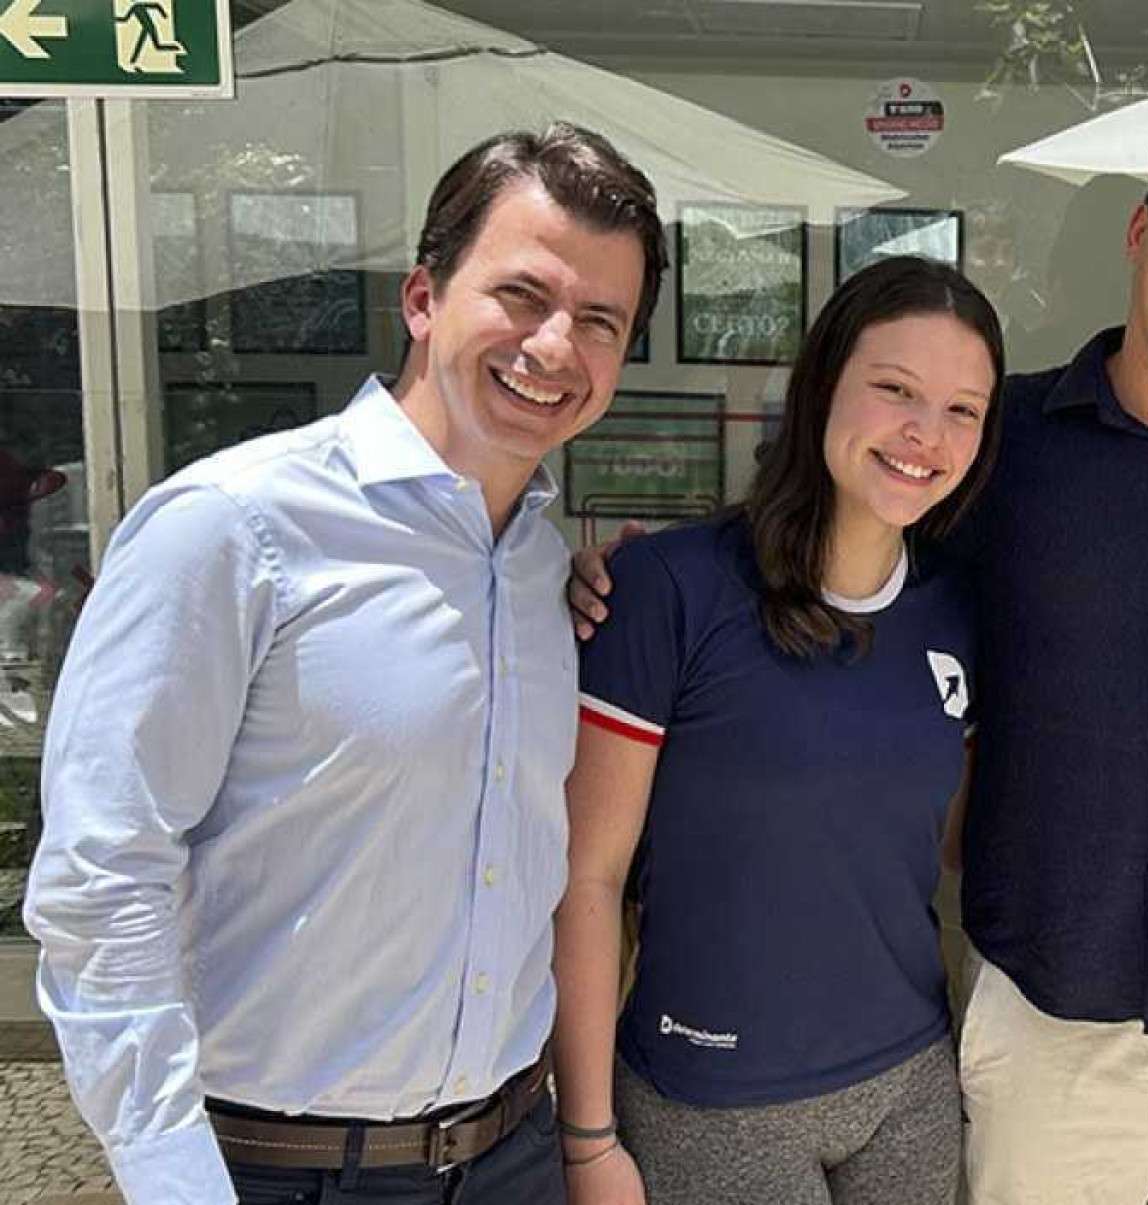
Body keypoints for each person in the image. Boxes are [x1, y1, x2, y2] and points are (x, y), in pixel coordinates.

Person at [571, 108, 1148, 1204]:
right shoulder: (999, 439)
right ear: (1142, 229)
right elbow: (840, 523)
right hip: (1045, 1021)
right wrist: (622, 571)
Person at [24, 123, 666, 1204]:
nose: (557, 346)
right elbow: (101, 877)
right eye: (522, 295)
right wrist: (173, 1179)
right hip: (279, 1170)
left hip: (512, 1153)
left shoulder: (546, 570)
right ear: (424, 298)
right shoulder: (231, 528)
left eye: (600, 319)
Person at [552, 256, 1003, 1205]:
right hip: (713, 1097)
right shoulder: (666, 592)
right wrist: (587, 1136)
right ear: (822, 383)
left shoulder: (959, 610)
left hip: (908, 1079)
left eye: (963, 409)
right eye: (895, 390)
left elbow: (944, 842)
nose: (926, 433)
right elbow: (586, 878)